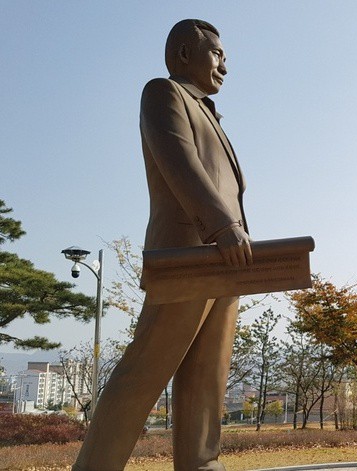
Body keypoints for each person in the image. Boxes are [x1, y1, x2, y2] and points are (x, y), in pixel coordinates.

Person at [73, 19, 252, 471]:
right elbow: (179, 161)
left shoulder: (208, 111)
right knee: (145, 371)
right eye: (217, 54)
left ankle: (201, 463)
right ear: (184, 53)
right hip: (189, 254)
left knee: (207, 377)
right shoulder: (163, 93)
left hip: (226, 261)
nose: (225, 67)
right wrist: (221, 225)